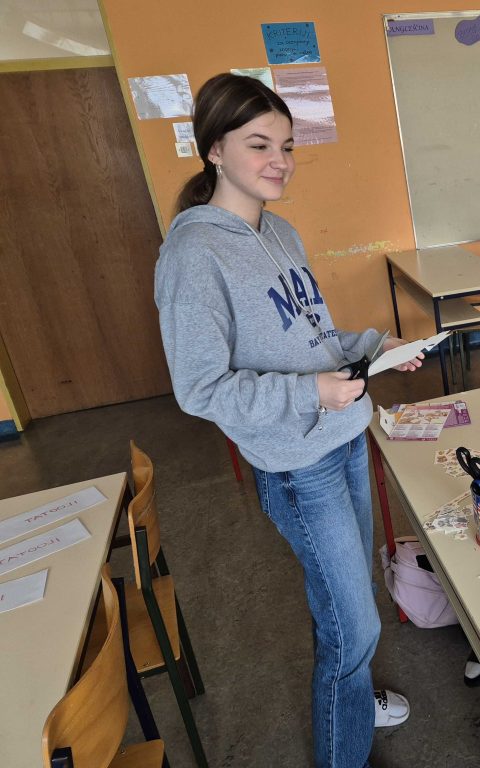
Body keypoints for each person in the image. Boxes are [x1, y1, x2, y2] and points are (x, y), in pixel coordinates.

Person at [155, 73, 415, 768]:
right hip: (300, 464)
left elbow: (312, 340)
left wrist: (374, 347)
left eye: (288, 146)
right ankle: (343, 747)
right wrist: (309, 395)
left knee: (348, 602)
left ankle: (350, 695)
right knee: (352, 625)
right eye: (259, 144)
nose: (280, 160)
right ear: (214, 150)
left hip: (345, 436)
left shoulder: (280, 231)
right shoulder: (193, 255)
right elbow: (200, 390)